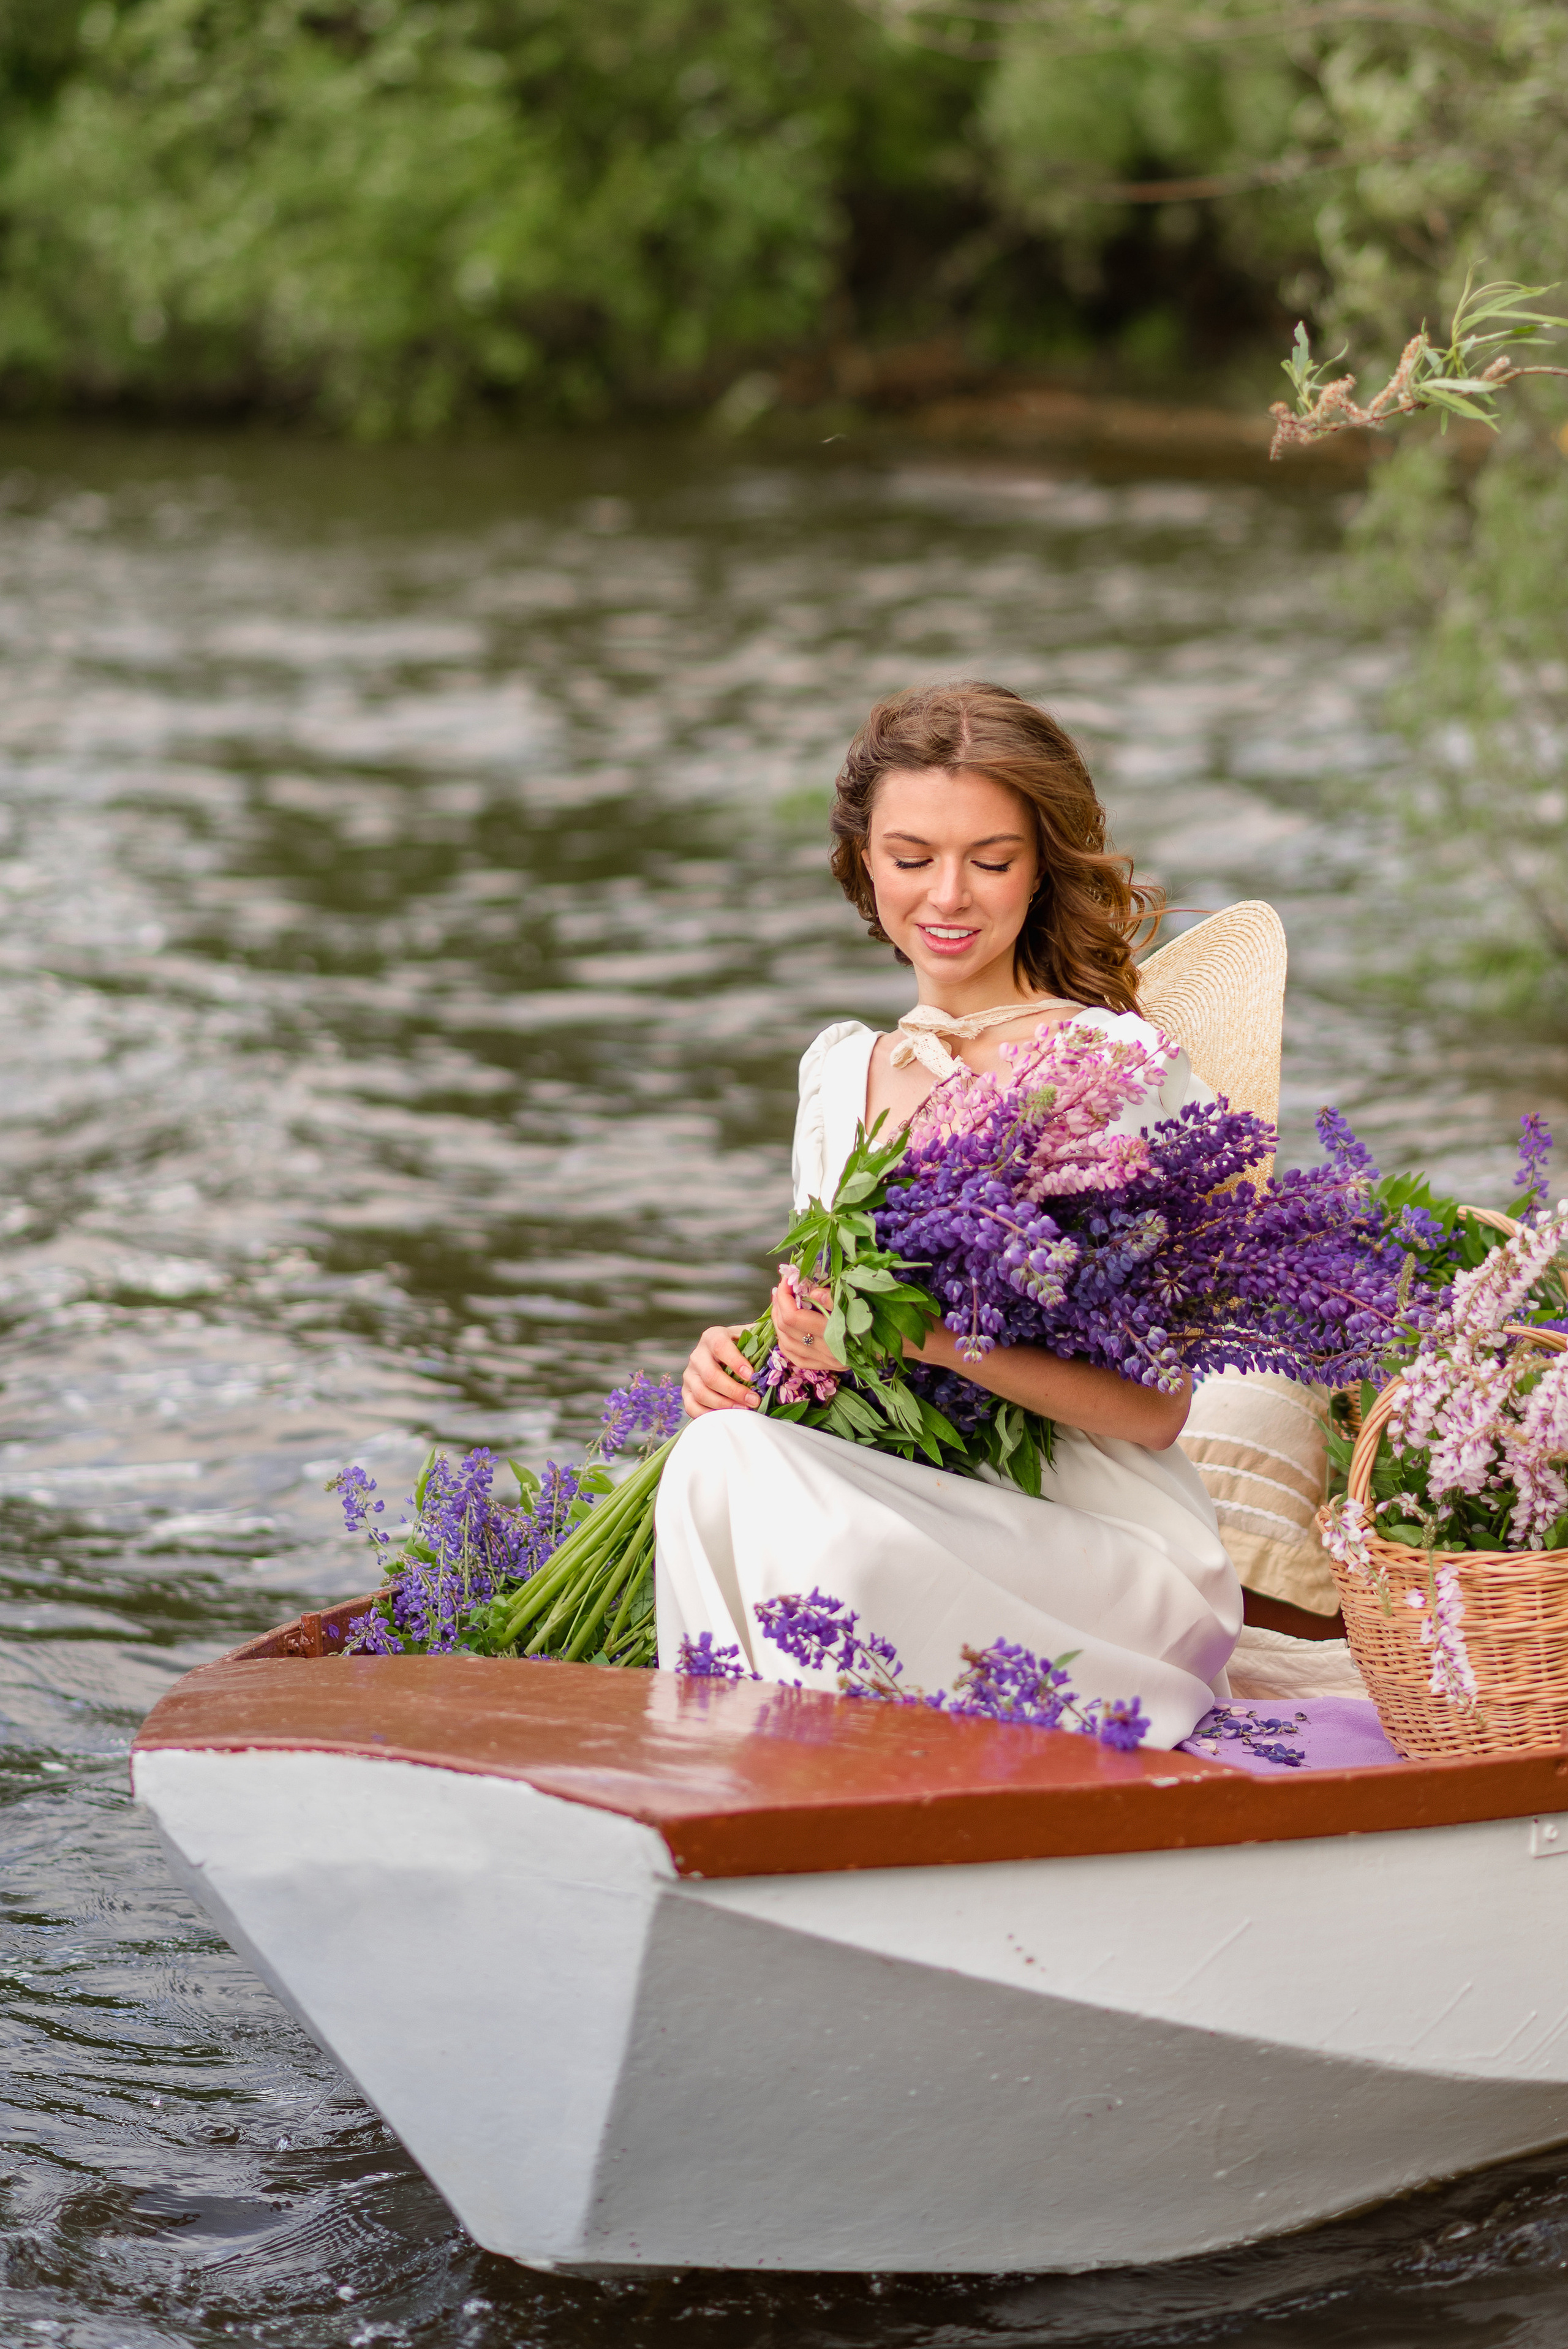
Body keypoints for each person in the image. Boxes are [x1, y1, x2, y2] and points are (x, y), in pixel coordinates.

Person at [655, 682, 1241, 1745]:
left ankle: (799, 1781)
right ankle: (730, 1779)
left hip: (1099, 1551)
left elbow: (1157, 1412)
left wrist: (931, 1337)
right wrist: (752, 1349)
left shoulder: (1111, 1071)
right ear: (863, 862)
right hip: (900, 1499)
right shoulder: (839, 1074)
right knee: (715, 1452)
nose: (948, 895)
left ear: (1042, 868)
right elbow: (825, 1327)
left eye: (992, 859)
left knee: (789, 1512)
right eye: (913, 857)